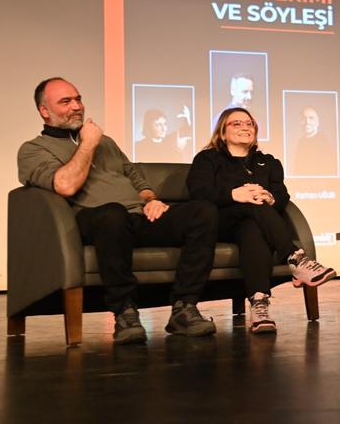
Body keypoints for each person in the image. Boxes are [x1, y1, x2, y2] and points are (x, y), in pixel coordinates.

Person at [18, 77, 219, 344]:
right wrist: (88, 144)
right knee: (113, 214)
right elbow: (65, 185)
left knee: (203, 211)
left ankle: (184, 308)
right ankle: (125, 312)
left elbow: (137, 180)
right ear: (44, 111)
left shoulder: (107, 142)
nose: (76, 106)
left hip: (137, 217)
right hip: (93, 220)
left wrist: (151, 200)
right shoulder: (33, 150)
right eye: (66, 101)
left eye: (78, 99)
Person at [187, 107, 336, 334]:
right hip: (219, 222)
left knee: (252, 228)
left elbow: (282, 195)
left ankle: (259, 304)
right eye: (237, 123)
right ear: (222, 133)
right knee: (249, 201)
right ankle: (295, 257)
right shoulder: (207, 159)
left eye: (249, 124)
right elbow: (198, 192)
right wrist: (234, 194)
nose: (245, 127)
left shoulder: (269, 162)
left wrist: (270, 197)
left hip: (254, 224)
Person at [291, 106, 336, 176]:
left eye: (311, 118)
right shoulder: (301, 142)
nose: (307, 122)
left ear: (317, 122)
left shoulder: (324, 142)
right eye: (304, 118)